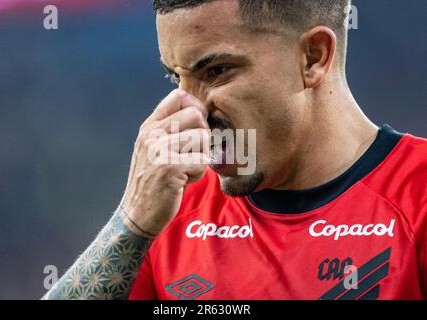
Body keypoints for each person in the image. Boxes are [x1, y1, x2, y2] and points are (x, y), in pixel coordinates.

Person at [43, 0, 427, 300]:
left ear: (313, 57)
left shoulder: (417, 196)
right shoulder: (167, 212)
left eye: (216, 72)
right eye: (176, 77)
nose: (190, 110)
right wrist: (131, 221)